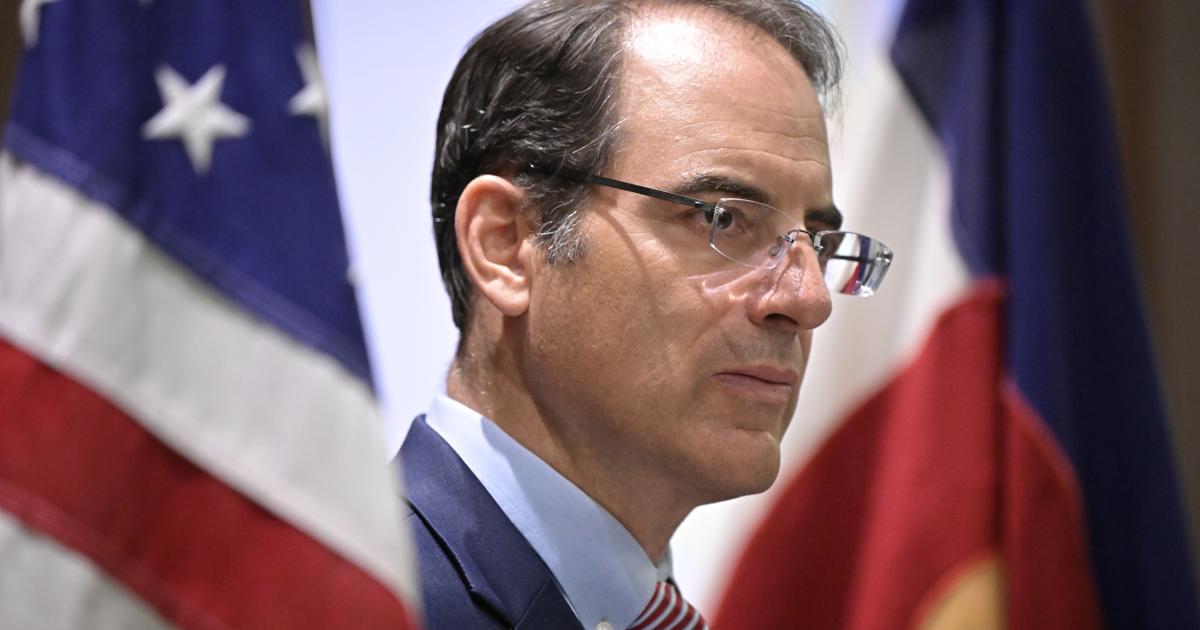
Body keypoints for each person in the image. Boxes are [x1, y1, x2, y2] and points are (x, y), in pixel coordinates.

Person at [397, 1, 893, 628]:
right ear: (507, 244)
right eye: (721, 218)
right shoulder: (356, 608)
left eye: (816, 243)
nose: (808, 300)